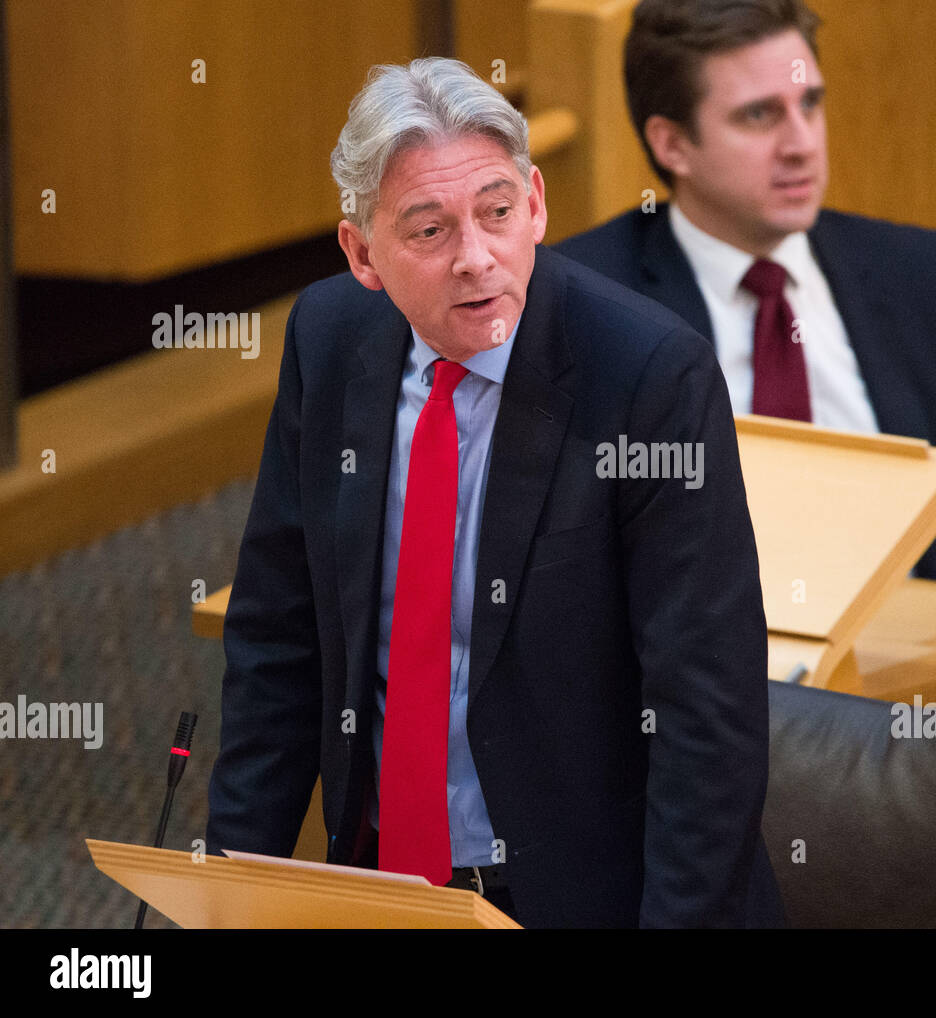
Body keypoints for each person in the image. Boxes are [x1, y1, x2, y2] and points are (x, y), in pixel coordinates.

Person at [205, 56, 783, 929]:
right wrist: (227, 897)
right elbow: (278, 640)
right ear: (362, 252)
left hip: (594, 898)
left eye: (498, 213)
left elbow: (708, 714)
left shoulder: (646, 378)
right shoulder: (329, 341)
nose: (477, 260)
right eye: (429, 232)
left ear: (538, 204)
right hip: (382, 889)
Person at [555, 0, 936, 698]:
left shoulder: (922, 273)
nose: (801, 142)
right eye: (758, 116)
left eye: (811, 103)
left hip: (928, 707)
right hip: (703, 711)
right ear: (671, 143)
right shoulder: (588, 301)